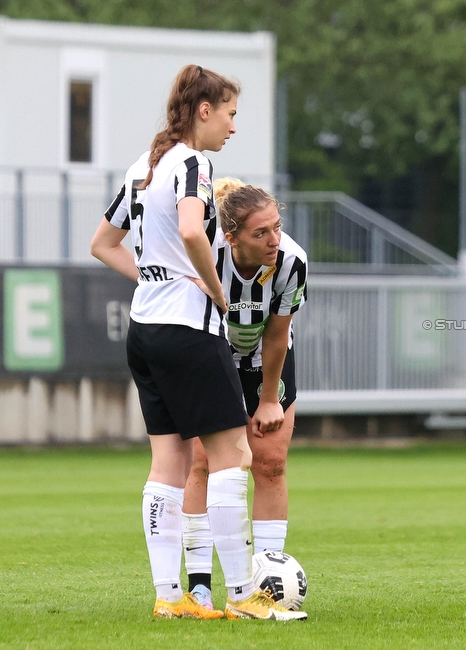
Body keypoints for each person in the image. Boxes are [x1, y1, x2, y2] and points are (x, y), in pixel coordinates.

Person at [90, 64, 306, 621]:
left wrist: (153, 279)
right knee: (232, 457)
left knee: (168, 463)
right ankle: (243, 597)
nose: (233, 127)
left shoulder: (146, 163)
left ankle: (170, 596)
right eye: (231, 114)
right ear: (203, 111)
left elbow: (102, 242)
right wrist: (212, 290)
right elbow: (191, 230)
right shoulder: (191, 162)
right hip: (188, 329)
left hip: (145, 329)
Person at [181, 178, 308, 610]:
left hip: (264, 359)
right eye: (261, 233)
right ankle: (199, 586)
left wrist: (269, 398)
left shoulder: (291, 261)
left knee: (270, 463)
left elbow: (277, 335)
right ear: (231, 237)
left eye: (276, 227)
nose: (274, 240)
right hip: (211, 352)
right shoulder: (206, 254)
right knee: (203, 462)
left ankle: (265, 584)